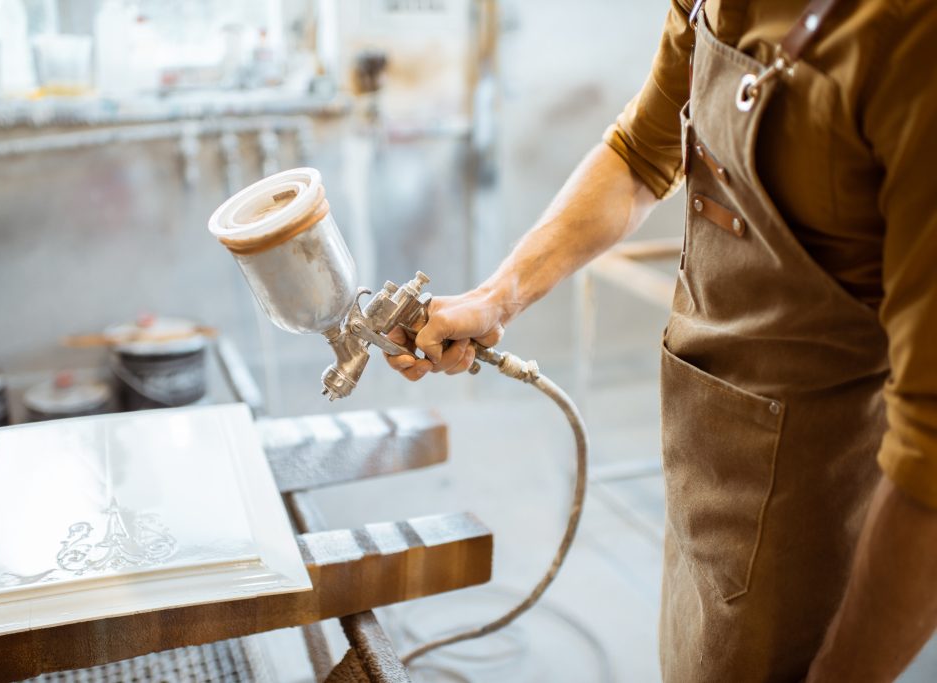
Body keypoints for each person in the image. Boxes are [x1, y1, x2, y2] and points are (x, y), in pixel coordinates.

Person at [384, 0, 937, 680]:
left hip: (816, 506)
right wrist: (497, 297)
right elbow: (638, 153)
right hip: (708, 457)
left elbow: (930, 458)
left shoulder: (909, 36)